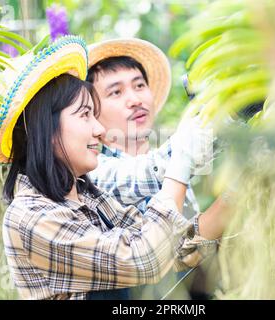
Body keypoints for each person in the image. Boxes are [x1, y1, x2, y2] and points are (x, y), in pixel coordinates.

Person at [0, 36, 226, 300]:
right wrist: (181, 159)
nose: (99, 130)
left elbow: (172, 245)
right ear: (46, 128)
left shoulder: (87, 195)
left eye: (139, 86)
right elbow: (143, 259)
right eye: (86, 114)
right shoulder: (32, 216)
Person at [86, 38, 229, 299]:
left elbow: (187, 250)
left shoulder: (166, 161)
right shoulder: (93, 173)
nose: (134, 99)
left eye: (139, 85)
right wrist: (208, 124)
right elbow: (141, 174)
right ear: (90, 115)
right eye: (115, 92)